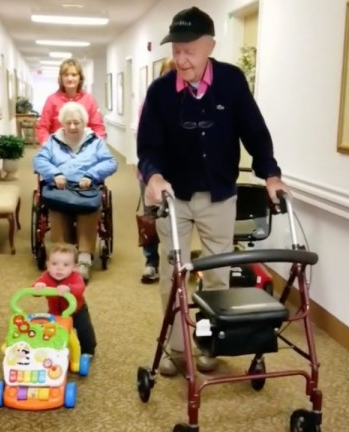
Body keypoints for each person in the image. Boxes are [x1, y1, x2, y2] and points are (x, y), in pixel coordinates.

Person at [137, 7, 287, 376]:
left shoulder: (232, 82)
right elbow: (147, 147)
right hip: (173, 198)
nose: (181, 59)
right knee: (174, 276)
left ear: (210, 47)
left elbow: (255, 133)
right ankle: (176, 350)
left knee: (217, 275)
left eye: (189, 50)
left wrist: (271, 174)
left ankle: (208, 343)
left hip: (219, 194)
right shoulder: (160, 92)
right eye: (176, 50)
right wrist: (153, 176)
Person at [33, 101, 118, 282]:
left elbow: (110, 162)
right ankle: (61, 259)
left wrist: (91, 175)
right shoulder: (53, 141)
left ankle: (84, 260)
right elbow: (39, 161)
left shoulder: (95, 142)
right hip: (60, 188)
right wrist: (55, 173)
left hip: (85, 188)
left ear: (84, 123)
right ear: (62, 123)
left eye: (77, 122)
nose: (72, 126)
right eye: (68, 122)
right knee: (57, 208)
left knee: (88, 208)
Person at [138, 58, 177, 284]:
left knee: (176, 219)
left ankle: (174, 264)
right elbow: (145, 141)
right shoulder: (152, 100)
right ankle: (151, 262)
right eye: (168, 73)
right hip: (152, 172)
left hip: (177, 175)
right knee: (152, 219)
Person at [33, 243, 97, 356]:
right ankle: (52, 349)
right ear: (47, 264)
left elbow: (80, 288)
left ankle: (88, 350)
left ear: (74, 267)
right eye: (54, 264)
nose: (59, 268)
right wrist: (38, 287)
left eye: (66, 264)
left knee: (84, 330)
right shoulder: (46, 277)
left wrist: (69, 288)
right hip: (55, 313)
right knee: (50, 331)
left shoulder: (76, 276)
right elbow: (34, 289)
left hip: (77, 311)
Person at [36, 58, 106, 145]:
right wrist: (46, 144)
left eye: (74, 75)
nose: (70, 78)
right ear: (61, 78)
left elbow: (97, 127)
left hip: (84, 149)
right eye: (66, 75)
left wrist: (96, 145)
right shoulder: (51, 100)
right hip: (58, 149)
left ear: (80, 78)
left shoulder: (89, 100)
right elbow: (43, 127)